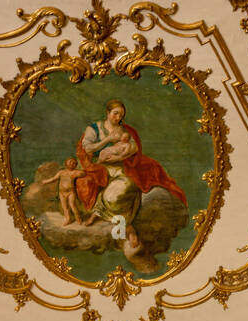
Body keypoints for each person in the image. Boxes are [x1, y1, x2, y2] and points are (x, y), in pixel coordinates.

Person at [75, 99, 186, 231]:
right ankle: (101, 216)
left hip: (121, 168)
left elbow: (134, 148)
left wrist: (119, 157)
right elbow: (88, 149)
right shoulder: (93, 128)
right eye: (115, 113)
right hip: (98, 167)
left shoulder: (124, 131)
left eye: (121, 115)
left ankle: (113, 219)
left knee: (114, 196)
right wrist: (107, 139)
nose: (118, 118)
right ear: (107, 112)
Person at [41, 157, 88, 224]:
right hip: (62, 192)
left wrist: (80, 173)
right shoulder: (61, 172)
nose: (72, 164)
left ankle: (78, 218)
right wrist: (45, 181)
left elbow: (83, 173)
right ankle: (68, 219)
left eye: (74, 163)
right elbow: (54, 179)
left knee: (72, 205)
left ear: (76, 165)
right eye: (70, 162)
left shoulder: (75, 172)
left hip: (70, 192)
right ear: (66, 164)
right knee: (65, 207)